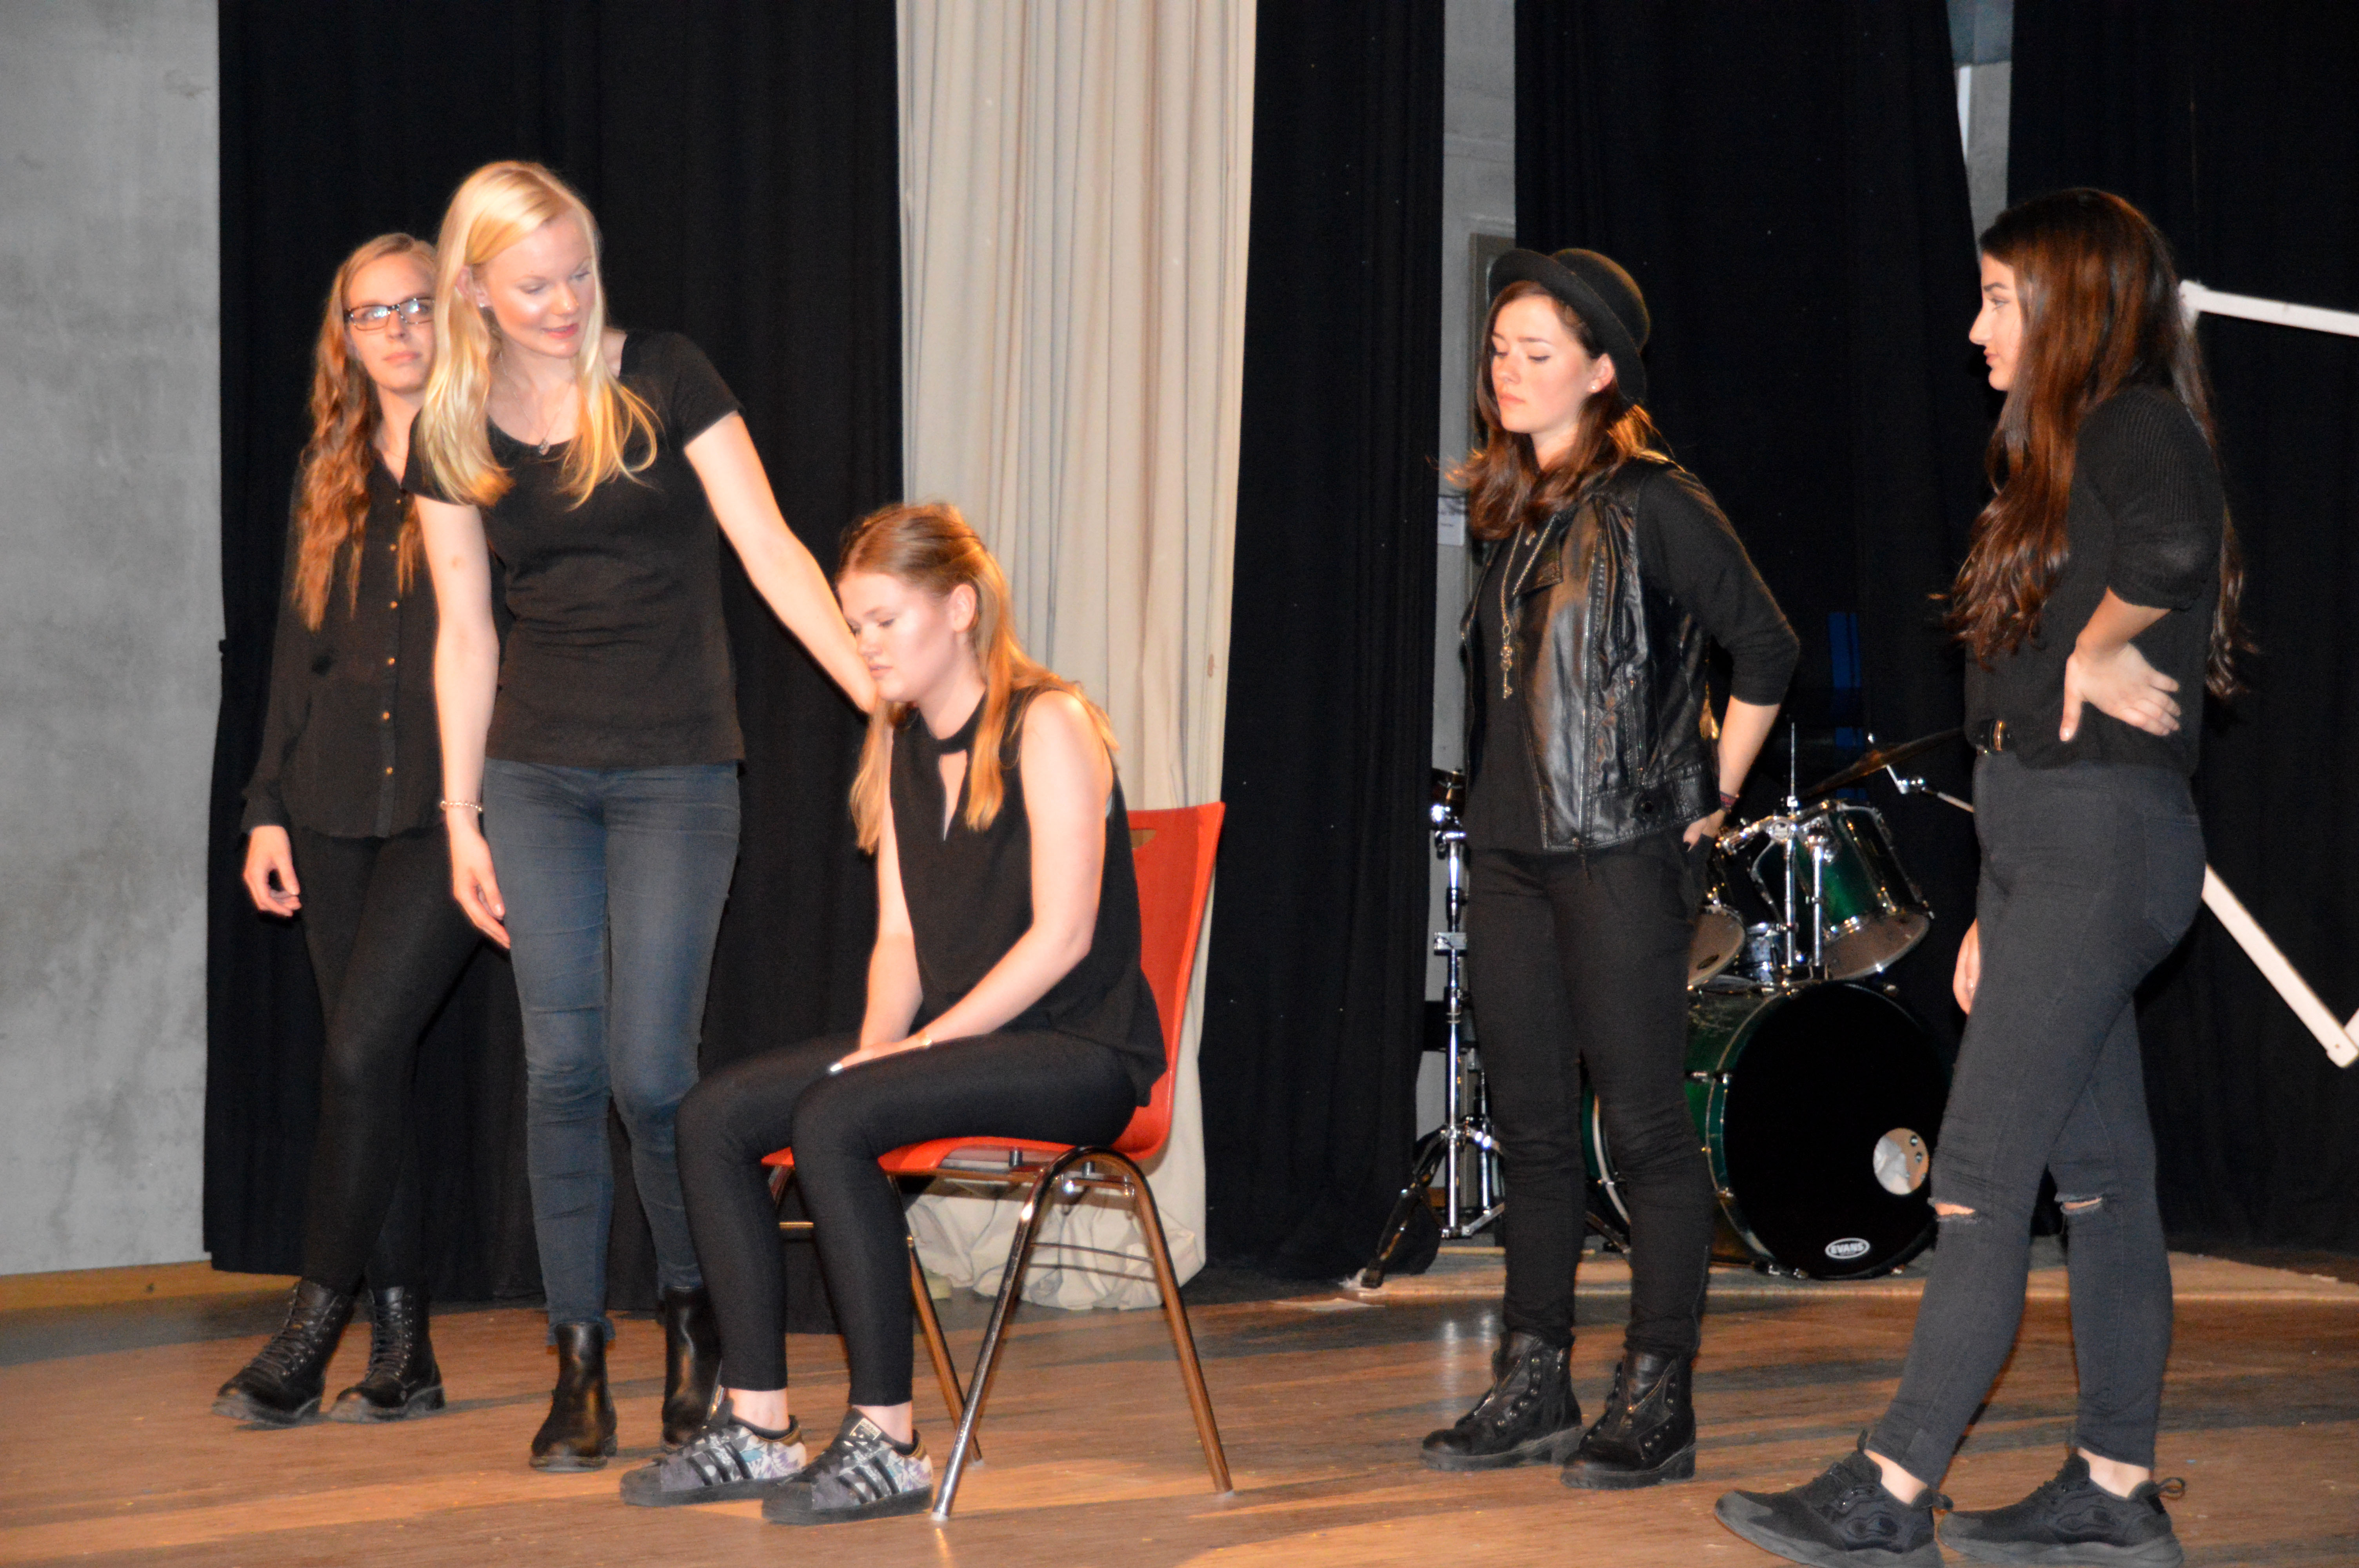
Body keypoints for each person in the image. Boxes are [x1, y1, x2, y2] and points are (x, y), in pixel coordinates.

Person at [1716, 189, 2237, 1568]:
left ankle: (1892, 1488)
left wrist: (2099, 649)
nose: (1976, 329)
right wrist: (2000, 906)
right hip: (2058, 848)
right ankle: (2115, 1492)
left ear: (2074, 306)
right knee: (2101, 1183)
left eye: (2001, 299)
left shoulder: (2134, 422)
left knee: (1981, 1175)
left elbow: (2178, 546)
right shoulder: (2066, 453)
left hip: (2096, 840)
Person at [408, 161, 873, 1470]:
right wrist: (460, 814)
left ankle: (690, 1319)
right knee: (560, 1070)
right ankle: (576, 1361)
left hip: (678, 771)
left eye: (580, 274)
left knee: (653, 1074)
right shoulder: (451, 430)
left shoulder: (665, 376)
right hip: (534, 779)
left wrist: (883, 702)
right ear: (474, 291)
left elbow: (772, 548)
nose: (565, 303)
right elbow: (465, 633)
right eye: (534, 286)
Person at [617, 501, 1166, 1525]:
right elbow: (902, 941)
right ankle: (757, 1420)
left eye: (884, 620)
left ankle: (891, 1440)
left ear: (959, 609)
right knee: (714, 1116)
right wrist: (881, 1050)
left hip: (1078, 1052)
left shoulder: (1049, 723)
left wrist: (913, 1054)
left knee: (838, 1117)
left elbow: (1063, 940)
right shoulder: (903, 740)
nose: (864, 645)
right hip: (959, 1042)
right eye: (855, 625)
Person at [1422, 249, 1796, 1490]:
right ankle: (1534, 1380)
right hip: (1513, 855)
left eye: (1537, 353)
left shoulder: (1653, 500)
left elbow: (1767, 645)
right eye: (1499, 351)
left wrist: (1715, 795)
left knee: (1642, 1129)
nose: (1509, 372)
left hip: (1621, 852)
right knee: (1531, 1129)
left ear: (1599, 372)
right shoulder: (1517, 508)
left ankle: (1659, 1392)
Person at [214, 234, 481, 1427]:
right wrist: (264, 805)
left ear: (451, 314)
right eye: (372, 313)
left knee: (363, 1055)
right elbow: (293, 649)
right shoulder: (328, 467)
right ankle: (405, 1349)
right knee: (371, 1070)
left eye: (416, 304)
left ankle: (311, 1329)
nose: (397, 328)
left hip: (447, 811)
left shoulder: (493, 454)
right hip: (326, 804)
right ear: (348, 338)